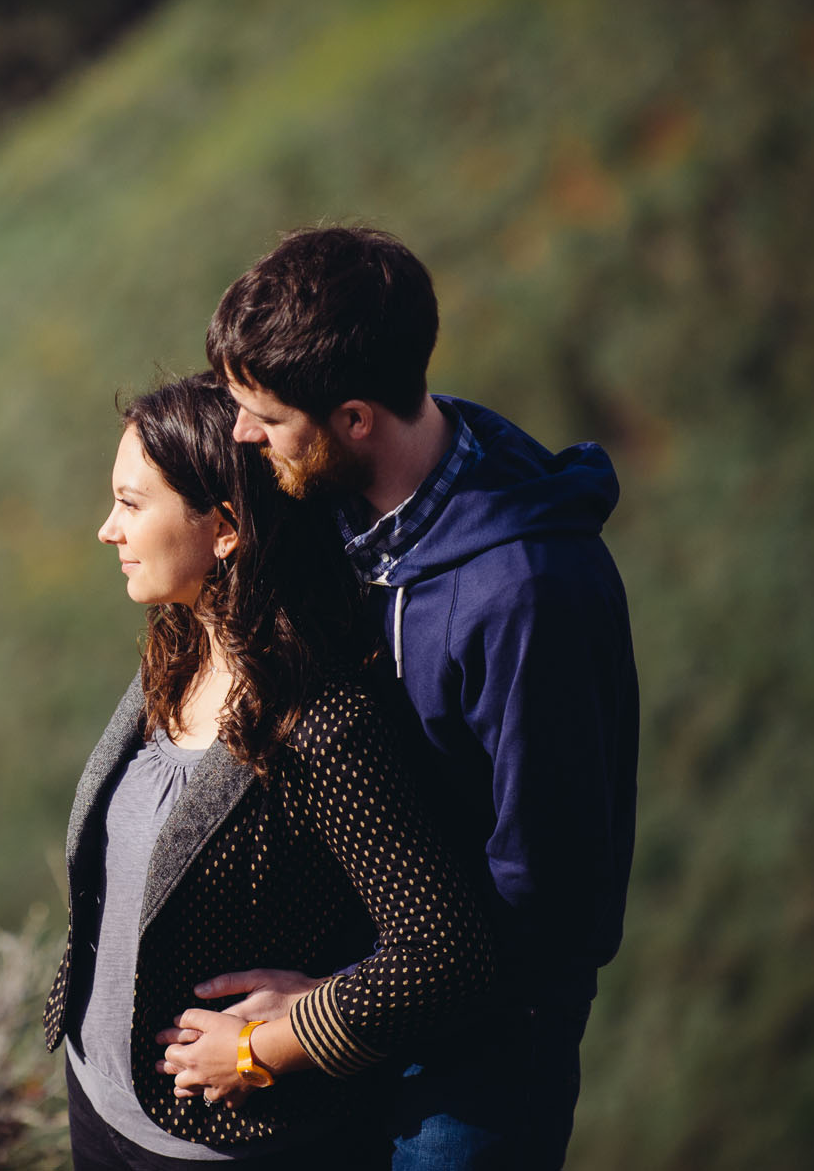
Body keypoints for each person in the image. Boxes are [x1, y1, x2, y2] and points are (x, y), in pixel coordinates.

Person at [189, 226, 639, 1169]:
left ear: (355, 419)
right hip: (358, 990)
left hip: (478, 1061)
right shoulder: (334, 502)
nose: (240, 435)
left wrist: (306, 1024)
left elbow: (553, 910)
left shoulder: (527, 597)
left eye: (264, 417)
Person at [44, 373, 494, 1170]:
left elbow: (446, 951)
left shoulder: (319, 722)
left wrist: (274, 1043)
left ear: (224, 530)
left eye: (132, 503)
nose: (108, 530)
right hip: (100, 1106)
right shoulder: (175, 653)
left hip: (220, 1146)